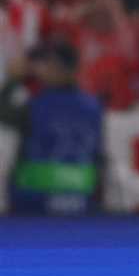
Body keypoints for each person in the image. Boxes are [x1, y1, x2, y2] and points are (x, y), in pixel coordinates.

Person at [12, 41, 102, 215]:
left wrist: (13, 80)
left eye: (48, 64)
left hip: (34, 200)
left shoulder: (32, 105)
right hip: (81, 199)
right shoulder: (94, 106)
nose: (43, 70)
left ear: (60, 67)